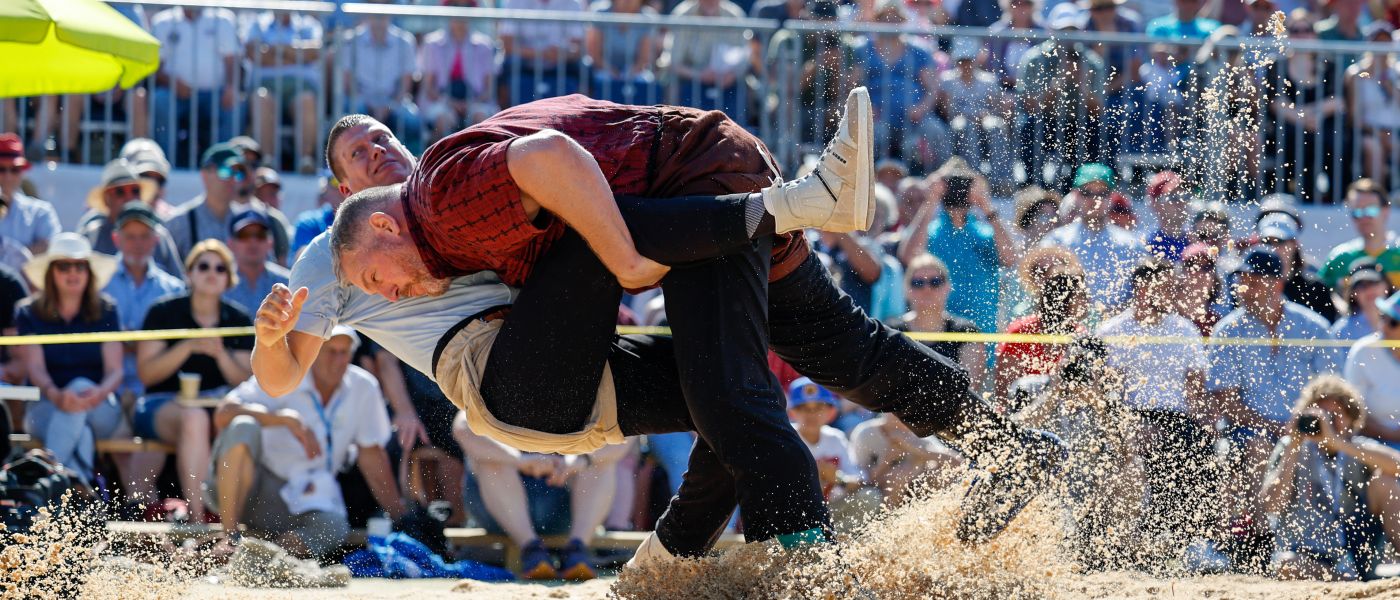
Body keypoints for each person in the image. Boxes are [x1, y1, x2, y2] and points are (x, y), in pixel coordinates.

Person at [264, 92, 1063, 560]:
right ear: (343, 198)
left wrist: (627, 257)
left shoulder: (447, 191)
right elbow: (279, 378)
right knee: (841, 351)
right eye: (361, 159)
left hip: (696, 194)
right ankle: (1011, 449)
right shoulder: (344, 255)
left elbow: (560, 177)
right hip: (709, 178)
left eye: (382, 141)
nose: (381, 154)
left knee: (729, 395)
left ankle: (794, 567)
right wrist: (271, 339)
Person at [209, 326, 403, 558]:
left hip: (306, 496)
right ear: (314, 352)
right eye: (331, 351)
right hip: (250, 488)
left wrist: (400, 516)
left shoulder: (363, 386)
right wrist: (280, 419)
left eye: (344, 352)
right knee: (243, 426)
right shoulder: (285, 375)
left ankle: (268, 560)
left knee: (334, 526)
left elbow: (371, 454)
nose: (338, 360)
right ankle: (229, 537)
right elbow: (223, 413)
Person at [1210, 247, 1341, 553]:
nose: (1245, 287)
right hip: (1249, 429)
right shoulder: (1227, 331)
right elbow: (1227, 403)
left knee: (1298, 449)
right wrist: (1276, 427)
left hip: (1308, 429)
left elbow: (1331, 394)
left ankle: (1310, 543)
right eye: (1243, 279)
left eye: (1254, 280)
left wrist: (1297, 427)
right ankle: (1259, 540)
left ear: (1277, 284)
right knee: (1258, 445)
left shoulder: (1313, 328)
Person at [1096, 257, 1216, 546]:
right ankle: (1126, 539)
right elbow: (1108, 391)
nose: (1170, 293)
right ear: (1141, 289)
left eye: (1170, 287)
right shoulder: (1112, 331)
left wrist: (1206, 425)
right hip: (1130, 415)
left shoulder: (1185, 329)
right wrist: (1128, 422)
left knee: (1200, 449)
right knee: (1136, 448)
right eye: (1163, 287)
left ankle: (1190, 540)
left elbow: (1196, 389)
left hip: (1178, 417)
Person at [133, 240, 254, 523]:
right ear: (189, 273)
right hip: (160, 405)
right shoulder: (163, 312)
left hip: (217, 407)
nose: (212, 272)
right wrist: (186, 346)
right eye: (203, 266)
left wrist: (220, 354)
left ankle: (236, 522)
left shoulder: (237, 318)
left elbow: (248, 380)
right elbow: (146, 374)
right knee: (195, 418)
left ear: (229, 278)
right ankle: (198, 522)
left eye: (220, 268)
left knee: (244, 424)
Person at [453, 410, 631, 580]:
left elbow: (625, 432)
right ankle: (531, 550)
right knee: (492, 459)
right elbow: (463, 426)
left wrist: (581, 459)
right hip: (497, 515)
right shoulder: (499, 384)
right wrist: (517, 460)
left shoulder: (582, 386)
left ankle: (577, 550)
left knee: (600, 460)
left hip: (562, 510)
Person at [1261, 375, 1400, 581]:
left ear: (1352, 418)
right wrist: (1294, 447)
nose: (1327, 421)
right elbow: (1271, 505)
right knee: (1287, 565)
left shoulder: (1356, 447)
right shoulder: (1291, 447)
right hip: (1308, 551)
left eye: (1336, 415)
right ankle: (1345, 583)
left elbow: (1397, 465)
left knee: (1387, 484)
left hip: (1356, 550)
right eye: (1321, 414)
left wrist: (1338, 443)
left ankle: (1352, 579)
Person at [16, 234, 123, 486]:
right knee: (79, 431)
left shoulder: (107, 309)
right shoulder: (28, 312)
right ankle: (80, 491)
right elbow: (35, 369)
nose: (72, 272)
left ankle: (47, 485)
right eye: (64, 266)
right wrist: (56, 395)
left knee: (77, 390)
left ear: (89, 271)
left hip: (100, 405)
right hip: (44, 406)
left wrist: (96, 393)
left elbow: (115, 372)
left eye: (80, 266)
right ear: (51, 272)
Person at [899, 157, 1018, 335]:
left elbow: (1009, 258)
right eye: (950, 185)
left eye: (964, 185)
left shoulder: (986, 233)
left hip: (980, 333)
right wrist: (930, 200)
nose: (957, 191)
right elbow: (909, 256)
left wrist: (985, 205)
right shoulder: (929, 232)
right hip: (936, 333)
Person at [851, 1, 952, 172]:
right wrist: (864, 109)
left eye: (895, 18)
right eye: (885, 18)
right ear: (877, 20)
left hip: (914, 119)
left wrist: (921, 109)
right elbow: (851, 85)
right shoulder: (863, 49)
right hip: (875, 118)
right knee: (869, 135)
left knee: (936, 131)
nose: (890, 22)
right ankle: (865, 182)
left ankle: (943, 181)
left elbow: (933, 89)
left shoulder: (919, 50)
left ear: (903, 20)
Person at [1016, 7, 1107, 186]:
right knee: (1028, 128)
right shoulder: (1034, 58)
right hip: (1046, 122)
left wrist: (1082, 86)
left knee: (1098, 131)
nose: (1068, 36)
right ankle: (1034, 187)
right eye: (1063, 31)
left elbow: (1098, 110)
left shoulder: (1092, 62)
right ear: (1052, 31)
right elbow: (1029, 105)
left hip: (1079, 124)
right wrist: (1056, 87)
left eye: (1072, 31)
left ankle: (1083, 187)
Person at [1038, 163, 1146, 311]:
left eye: (1102, 193)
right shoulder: (1055, 241)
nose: (1095, 199)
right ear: (1075, 195)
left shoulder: (1131, 244)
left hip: (1114, 330)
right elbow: (1040, 288)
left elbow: (1142, 295)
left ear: (1112, 196)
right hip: (1070, 327)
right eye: (1087, 193)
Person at [148, 7, 243, 167]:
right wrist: (173, 83)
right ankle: (165, 166)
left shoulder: (223, 19)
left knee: (234, 105)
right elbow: (155, 67)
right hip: (175, 93)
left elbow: (232, 60)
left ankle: (225, 167)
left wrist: (231, 87)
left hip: (215, 94)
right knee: (160, 100)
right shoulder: (162, 22)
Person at [994, 253, 1091, 400]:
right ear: (1062, 299)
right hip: (1024, 411)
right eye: (1081, 295)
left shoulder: (1081, 335)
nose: (1087, 300)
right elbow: (1004, 389)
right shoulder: (1021, 332)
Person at [886, 254, 987, 392]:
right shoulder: (892, 331)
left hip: (951, 412)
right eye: (918, 283)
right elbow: (887, 387)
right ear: (906, 289)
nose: (927, 289)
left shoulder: (966, 331)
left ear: (948, 287)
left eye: (935, 282)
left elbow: (968, 390)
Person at [244, 10, 324, 174]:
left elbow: (314, 52)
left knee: (306, 100)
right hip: (266, 85)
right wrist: (294, 54)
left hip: (300, 86)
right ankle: (267, 162)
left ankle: (305, 160)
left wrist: (276, 51)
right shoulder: (257, 23)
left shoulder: (308, 24)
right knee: (261, 98)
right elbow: (253, 53)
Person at [78, 159, 185, 280]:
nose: (129, 197)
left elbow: (180, 286)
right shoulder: (92, 236)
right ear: (106, 199)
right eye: (120, 192)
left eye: (135, 190)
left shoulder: (160, 235)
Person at [339, 3, 422, 152]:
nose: (379, 11)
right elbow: (348, 84)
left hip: (394, 103)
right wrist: (369, 105)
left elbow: (405, 86)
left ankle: (415, 169)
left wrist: (389, 107)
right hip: (360, 101)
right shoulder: (350, 40)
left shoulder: (405, 41)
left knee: (411, 122)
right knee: (352, 114)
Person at [417, 0, 500, 143]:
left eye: (467, 6)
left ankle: (477, 163)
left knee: (480, 120)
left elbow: (488, 90)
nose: (461, 11)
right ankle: (437, 163)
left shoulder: (485, 45)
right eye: (455, 5)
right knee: (443, 120)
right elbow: (429, 88)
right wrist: (450, 103)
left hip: (476, 101)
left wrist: (470, 103)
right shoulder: (432, 43)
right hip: (441, 101)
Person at [938, 38, 1013, 191]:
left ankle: (1000, 180)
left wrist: (984, 115)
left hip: (984, 119)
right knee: (965, 126)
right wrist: (970, 116)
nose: (965, 65)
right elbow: (947, 111)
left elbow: (996, 108)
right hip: (960, 121)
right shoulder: (947, 80)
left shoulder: (988, 81)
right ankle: (971, 179)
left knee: (995, 126)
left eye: (969, 60)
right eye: (962, 61)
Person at [849, 412, 962, 505]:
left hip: (919, 485)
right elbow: (859, 480)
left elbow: (957, 462)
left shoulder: (917, 432)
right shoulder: (866, 433)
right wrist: (887, 460)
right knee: (898, 475)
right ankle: (891, 521)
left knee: (942, 472)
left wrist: (918, 451)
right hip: (882, 490)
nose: (901, 419)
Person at [663, 0, 752, 117]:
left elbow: (746, 56)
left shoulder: (735, 15)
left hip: (728, 81)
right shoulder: (682, 14)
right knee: (670, 84)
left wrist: (732, 75)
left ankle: (747, 129)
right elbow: (671, 62)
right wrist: (699, 75)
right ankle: (672, 128)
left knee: (750, 88)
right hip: (688, 79)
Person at [1344, 23, 1400, 190]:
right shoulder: (1356, 74)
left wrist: (1390, 86)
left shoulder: (1396, 72)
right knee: (1374, 150)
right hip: (1368, 132)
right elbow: (1354, 117)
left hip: (1395, 133)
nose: (1381, 48)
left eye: (1385, 43)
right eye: (1377, 42)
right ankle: (1379, 198)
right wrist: (1378, 132)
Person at [1258, 210, 1338, 322]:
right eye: (1267, 242)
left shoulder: (1315, 288)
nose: (1273, 248)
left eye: (1279, 241)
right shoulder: (1252, 288)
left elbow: (1326, 333)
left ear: (1294, 244)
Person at [499, 0, 586, 104]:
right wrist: (541, 54)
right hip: (524, 63)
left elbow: (578, 47)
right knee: (505, 66)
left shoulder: (572, 4)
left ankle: (586, 115)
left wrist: (565, 54)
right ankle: (504, 115)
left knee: (585, 71)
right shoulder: (514, 3)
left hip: (562, 63)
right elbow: (508, 45)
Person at [1343, 290, 1400, 448]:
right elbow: (1353, 412)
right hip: (1372, 444)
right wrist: (1393, 436)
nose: (1384, 325)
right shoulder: (1363, 351)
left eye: (1394, 322)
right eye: (1383, 317)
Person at [1320, 179, 1400, 291]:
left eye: (1371, 210)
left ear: (1386, 210)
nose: (1364, 218)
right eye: (1356, 212)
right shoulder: (1339, 258)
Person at [588, 0, 660, 106]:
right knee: (602, 82)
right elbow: (594, 53)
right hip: (602, 68)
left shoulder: (648, 17)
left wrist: (629, 73)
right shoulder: (600, 11)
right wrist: (611, 71)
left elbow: (644, 58)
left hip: (635, 70)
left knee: (645, 83)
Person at [0, 133, 60, 255]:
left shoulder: (41, 211)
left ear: (22, 172)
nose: (8, 176)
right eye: (1, 169)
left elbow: (52, 247)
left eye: (14, 169)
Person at [224, 208, 290, 316]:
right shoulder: (219, 284)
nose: (253, 241)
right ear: (230, 244)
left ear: (270, 243)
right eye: (244, 235)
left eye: (260, 235)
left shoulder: (288, 282)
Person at [1144, 171, 1193, 261]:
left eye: (1185, 196)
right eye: (1173, 197)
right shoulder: (1143, 246)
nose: (1181, 202)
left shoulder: (1197, 241)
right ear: (1155, 204)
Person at [1333, 266, 1392, 341]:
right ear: (1353, 293)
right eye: (1361, 285)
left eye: (1373, 283)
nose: (1369, 290)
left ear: (1386, 286)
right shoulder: (1341, 331)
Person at [1145, 0, 1221, 39]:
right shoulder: (1158, 26)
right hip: (1170, 69)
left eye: (1192, 1)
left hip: (1202, 69)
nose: (1188, 4)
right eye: (1183, 0)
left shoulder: (1212, 28)